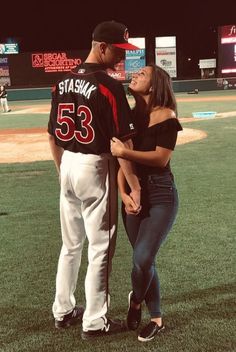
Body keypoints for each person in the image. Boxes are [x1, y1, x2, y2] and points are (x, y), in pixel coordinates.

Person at [47, 20, 141, 339]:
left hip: (69, 163)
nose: (121, 58)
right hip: (95, 165)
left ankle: (62, 310)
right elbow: (122, 143)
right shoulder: (108, 85)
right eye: (118, 50)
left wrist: (63, 170)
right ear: (101, 46)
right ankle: (94, 320)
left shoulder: (61, 83)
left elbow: (51, 136)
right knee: (100, 247)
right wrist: (132, 185)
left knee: (71, 245)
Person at [110, 64, 182, 342]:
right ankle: (153, 314)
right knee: (144, 261)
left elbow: (161, 158)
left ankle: (140, 304)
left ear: (154, 86)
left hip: (162, 194)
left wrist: (124, 150)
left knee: (142, 258)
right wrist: (124, 193)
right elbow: (122, 164)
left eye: (142, 74)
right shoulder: (131, 116)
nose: (135, 75)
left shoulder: (166, 116)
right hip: (133, 195)